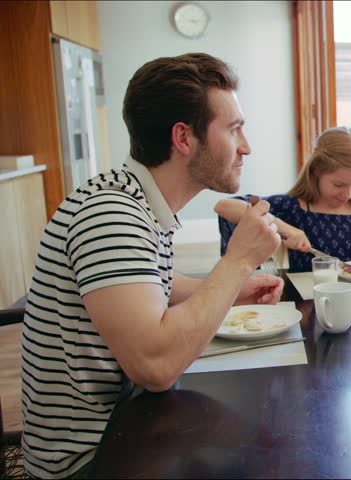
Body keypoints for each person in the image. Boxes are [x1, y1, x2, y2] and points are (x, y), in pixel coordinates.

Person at [19, 53, 284, 479]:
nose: (246, 146)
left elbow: (150, 285)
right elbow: (156, 367)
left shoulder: (130, 200)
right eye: (234, 129)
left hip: (129, 428)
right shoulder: (111, 215)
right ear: (183, 138)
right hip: (89, 460)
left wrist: (236, 286)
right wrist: (236, 262)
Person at [214, 126, 351, 272]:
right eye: (338, 185)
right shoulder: (291, 207)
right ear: (315, 171)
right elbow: (224, 205)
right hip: (303, 309)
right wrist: (285, 228)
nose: (348, 193)